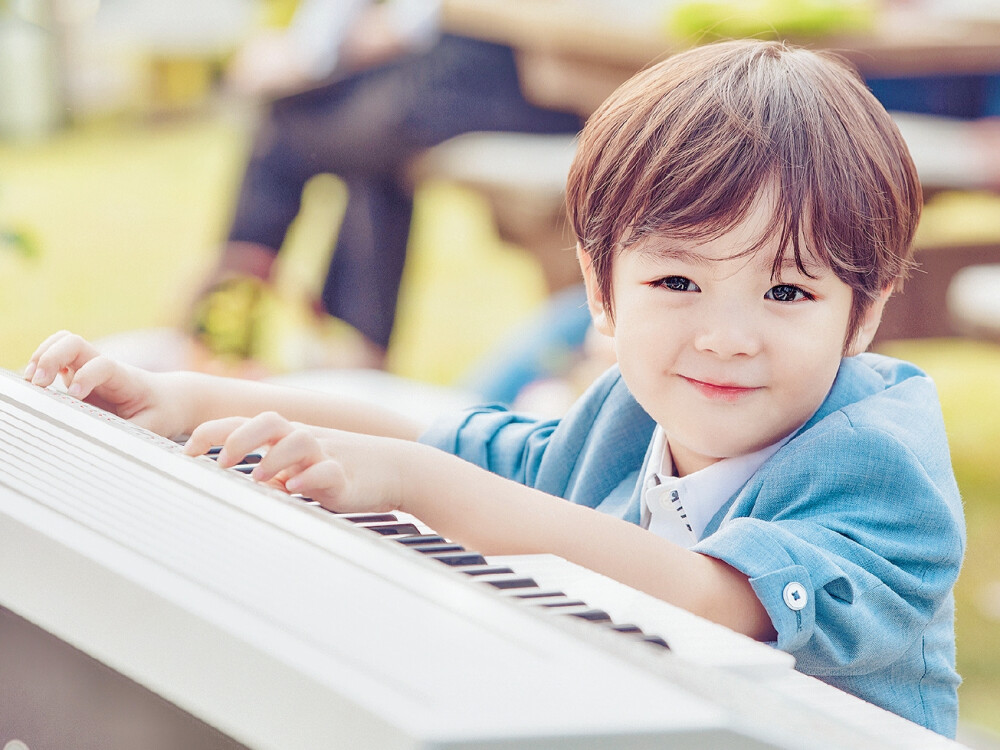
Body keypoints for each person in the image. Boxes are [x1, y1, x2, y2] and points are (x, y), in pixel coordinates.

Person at [24, 40, 964, 736]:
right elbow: (437, 434)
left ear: (866, 311)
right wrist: (186, 400)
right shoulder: (627, 415)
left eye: (788, 291)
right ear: (600, 290)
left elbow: (712, 596)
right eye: (676, 282)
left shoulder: (877, 460)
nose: (726, 337)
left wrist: (411, 483)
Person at [194, 0, 583, 368]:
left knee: (286, 133)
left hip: (534, 64)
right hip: (467, 57)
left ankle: (227, 317)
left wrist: (308, 54)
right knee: (361, 152)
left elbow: (408, 24)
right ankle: (347, 347)